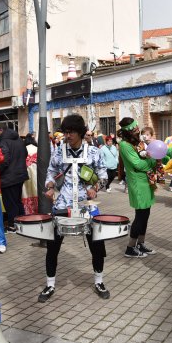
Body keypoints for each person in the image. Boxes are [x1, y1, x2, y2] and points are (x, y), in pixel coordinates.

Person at [39, 114, 109, 302]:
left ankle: (99, 281)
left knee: (97, 245)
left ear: (80, 133)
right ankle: (50, 284)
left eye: (71, 132)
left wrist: (95, 188)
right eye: (65, 132)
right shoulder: (59, 151)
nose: (67, 136)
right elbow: (51, 172)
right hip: (63, 204)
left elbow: (103, 175)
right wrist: (50, 186)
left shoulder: (94, 152)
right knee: (52, 247)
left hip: (87, 206)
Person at [118, 119, 158, 258]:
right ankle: (130, 247)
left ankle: (140, 244)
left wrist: (152, 159)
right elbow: (138, 165)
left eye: (136, 127)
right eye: (133, 129)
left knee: (145, 215)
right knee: (140, 216)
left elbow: (146, 158)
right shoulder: (124, 145)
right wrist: (152, 161)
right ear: (127, 131)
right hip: (137, 184)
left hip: (146, 182)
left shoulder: (138, 142)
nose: (137, 130)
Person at [0, 122, 28, 233]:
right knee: (18, 200)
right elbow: (25, 153)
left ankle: (13, 225)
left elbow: (4, 160)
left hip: (8, 177)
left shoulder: (3, 141)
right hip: (20, 175)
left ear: (0, 130)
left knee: (10, 202)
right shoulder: (18, 139)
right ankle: (22, 223)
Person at [22, 133, 39, 214]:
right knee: (36, 189)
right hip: (36, 173)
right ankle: (38, 210)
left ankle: (28, 212)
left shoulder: (23, 149)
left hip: (25, 172)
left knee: (25, 191)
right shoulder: (37, 149)